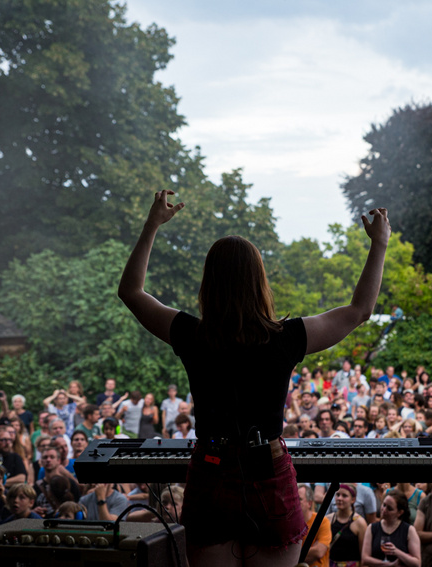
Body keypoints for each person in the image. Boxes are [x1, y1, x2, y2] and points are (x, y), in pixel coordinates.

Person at [118, 190, 390, 566]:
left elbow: (130, 292)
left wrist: (152, 225)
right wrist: (379, 244)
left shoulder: (193, 335)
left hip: (210, 471)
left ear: (208, 282)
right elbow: (360, 310)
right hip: (269, 472)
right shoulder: (286, 337)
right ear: (259, 279)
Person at [361, 491, 422, 567]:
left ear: (400, 512)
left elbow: (417, 563)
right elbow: (365, 559)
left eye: (389, 508)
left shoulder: (409, 530)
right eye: (384, 505)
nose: (384, 509)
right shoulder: (372, 528)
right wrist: (390, 564)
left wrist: (396, 552)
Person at [326, 484, 366, 567]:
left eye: (344, 496)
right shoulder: (328, 520)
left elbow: (364, 555)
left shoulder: (360, 523)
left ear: (353, 499)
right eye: (337, 495)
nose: (340, 498)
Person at [297, 484, 330, 567]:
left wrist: (293, 554)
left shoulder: (322, 521)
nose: (295, 502)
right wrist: (311, 550)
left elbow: (319, 552)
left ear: (309, 503)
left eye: (299, 499)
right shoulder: (289, 524)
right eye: (294, 499)